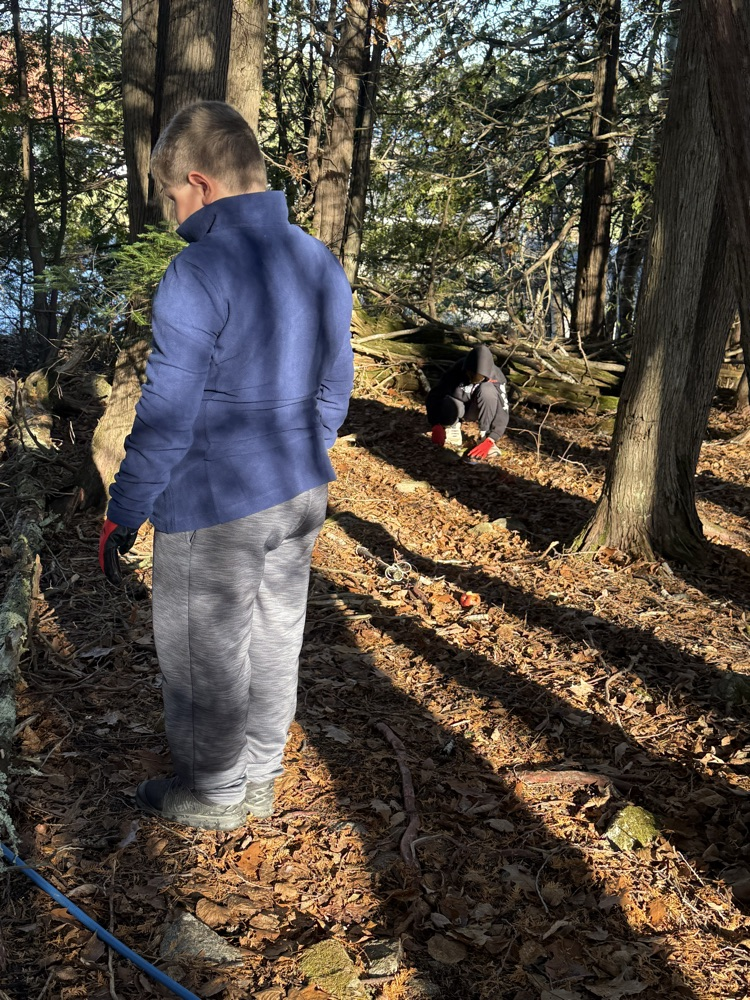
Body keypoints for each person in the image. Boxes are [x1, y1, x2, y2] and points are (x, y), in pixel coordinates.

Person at [98, 101, 354, 832]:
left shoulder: (197, 268)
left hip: (215, 501)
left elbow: (168, 412)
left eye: (173, 196)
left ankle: (213, 792)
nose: (174, 215)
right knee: (276, 635)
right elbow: (338, 385)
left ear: (200, 183)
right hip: (301, 489)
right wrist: (307, 452)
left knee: (201, 650)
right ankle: (260, 778)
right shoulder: (315, 257)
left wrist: (126, 509)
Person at [426, 344, 509, 459]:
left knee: (488, 390)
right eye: (471, 375)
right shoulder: (457, 369)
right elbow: (436, 394)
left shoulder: (497, 377)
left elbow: (502, 410)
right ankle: (451, 426)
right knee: (449, 399)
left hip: (478, 409)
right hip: (457, 406)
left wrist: (492, 437)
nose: (473, 380)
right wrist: (435, 424)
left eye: (479, 378)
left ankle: (484, 436)